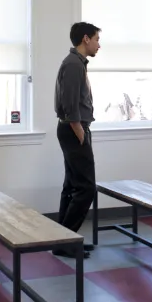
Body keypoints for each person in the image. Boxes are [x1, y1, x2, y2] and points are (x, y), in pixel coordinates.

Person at [53, 22, 101, 258]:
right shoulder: (73, 65)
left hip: (74, 129)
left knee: (72, 186)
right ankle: (65, 241)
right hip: (74, 130)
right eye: (96, 39)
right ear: (85, 39)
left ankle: (63, 239)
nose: (98, 45)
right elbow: (70, 105)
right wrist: (81, 133)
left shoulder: (75, 63)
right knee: (86, 188)